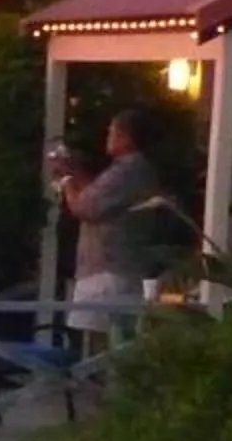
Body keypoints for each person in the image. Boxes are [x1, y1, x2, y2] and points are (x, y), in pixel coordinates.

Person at [58, 110, 166, 304]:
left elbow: (84, 207)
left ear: (126, 137)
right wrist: (76, 173)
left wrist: (66, 180)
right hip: (118, 272)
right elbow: (98, 196)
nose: (108, 138)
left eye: (112, 132)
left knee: (97, 332)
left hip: (108, 273)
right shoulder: (136, 169)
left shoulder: (127, 170)